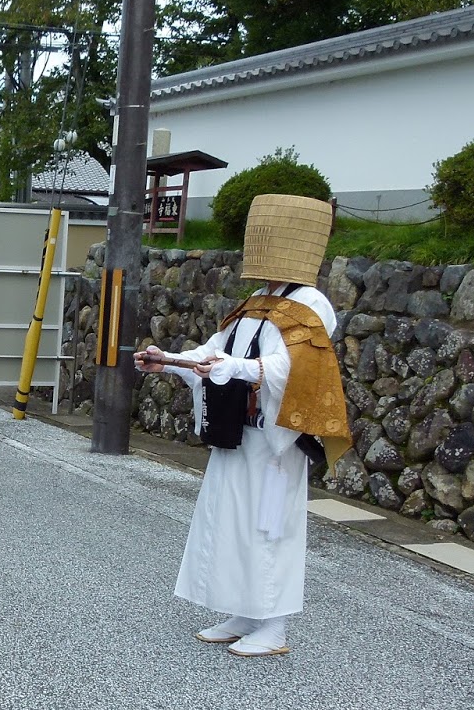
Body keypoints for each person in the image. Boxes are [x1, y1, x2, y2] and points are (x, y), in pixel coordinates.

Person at [135, 195, 351, 657]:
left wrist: (234, 367)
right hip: (238, 428)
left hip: (275, 437)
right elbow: (213, 353)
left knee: (271, 526)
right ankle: (245, 611)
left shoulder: (312, 304)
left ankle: (274, 626)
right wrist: (167, 360)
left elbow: (294, 369)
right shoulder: (256, 302)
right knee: (230, 520)